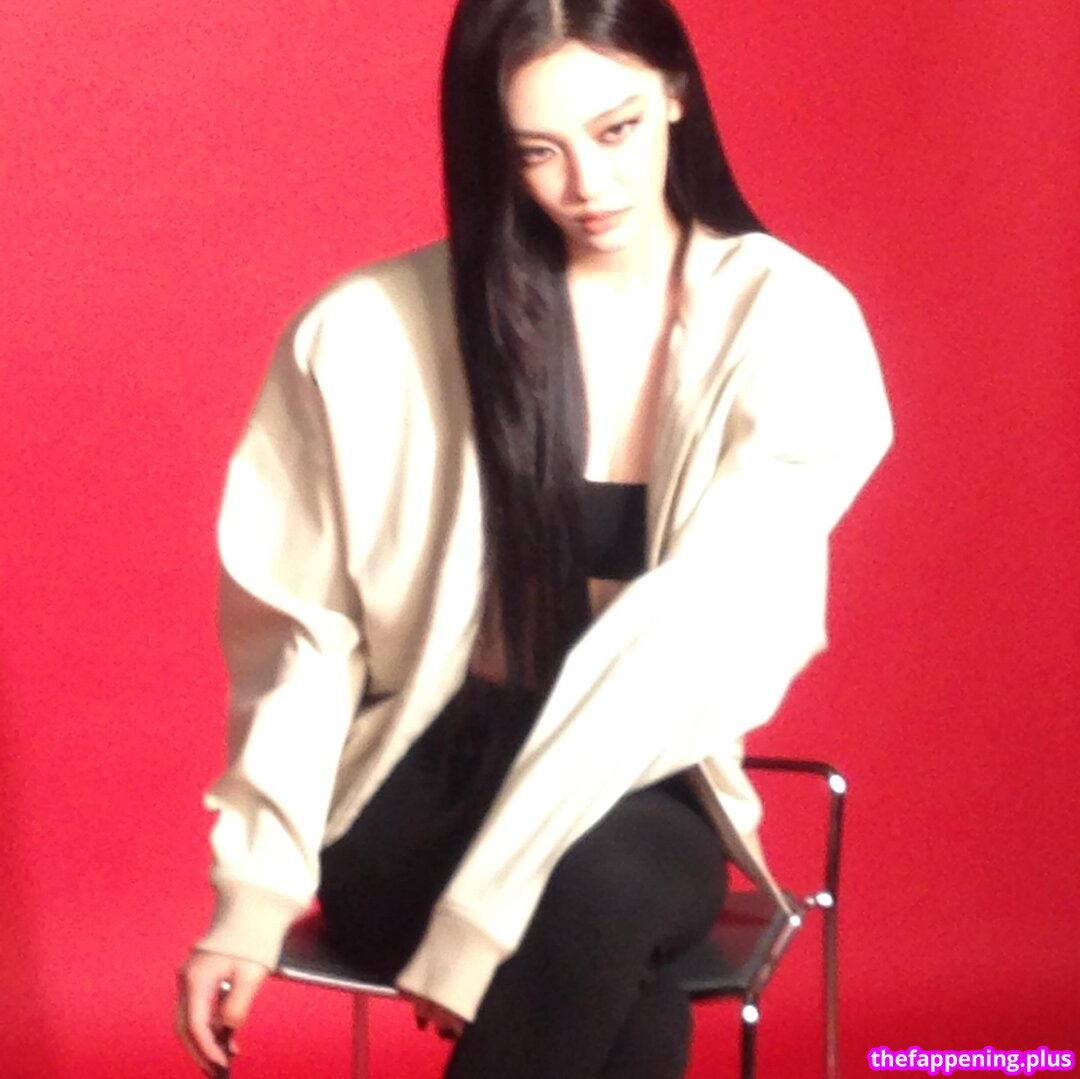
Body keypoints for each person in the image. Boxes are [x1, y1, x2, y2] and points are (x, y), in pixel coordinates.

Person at [174, 0, 893, 1076]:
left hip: (640, 779)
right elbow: (304, 633)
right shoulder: (366, 332)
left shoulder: (788, 326)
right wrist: (253, 892)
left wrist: (485, 917)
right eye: (536, 152)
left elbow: (684, 636)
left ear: (677, 95)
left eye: (617, 129)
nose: (588, 185)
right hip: (426, 785)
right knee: (621, 959)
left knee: (606, 885)